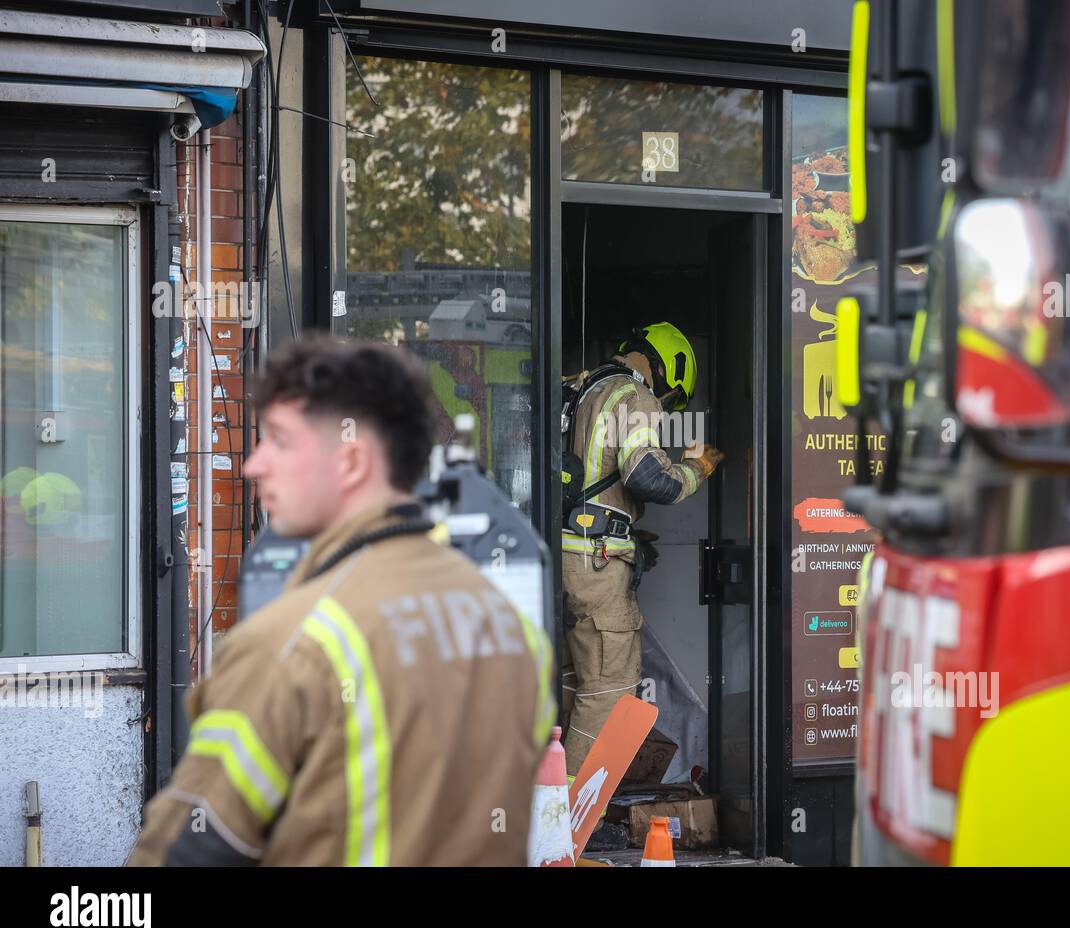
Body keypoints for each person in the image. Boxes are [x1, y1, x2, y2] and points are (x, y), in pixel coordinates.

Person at [130, 335, 554, 866]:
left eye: (280, 441)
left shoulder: (290, 644)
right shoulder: (510, 629)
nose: (252, 465)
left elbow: (186, 851)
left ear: (351, 463)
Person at [560, 321, 724, 775]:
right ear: (664, 370)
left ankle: (550, 812)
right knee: (610, 694)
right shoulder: (634, 397)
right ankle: (570, 824)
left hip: (561, 556)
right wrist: (696, 468)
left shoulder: (578, 388)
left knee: (576, 689)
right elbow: (646, 476)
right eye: (671, 400)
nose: (665, 407)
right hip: (595, 563)